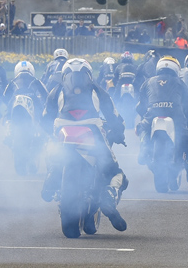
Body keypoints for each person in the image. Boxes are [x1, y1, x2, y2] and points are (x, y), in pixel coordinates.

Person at [39, 58, 128, 231]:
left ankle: (52, 175)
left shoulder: (56, 90)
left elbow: (44, 119)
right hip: (93, 128)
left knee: (52, 152)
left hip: (62, 129)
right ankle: (109, 196)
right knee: (115, 172)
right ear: (89, 74)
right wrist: (118, 132)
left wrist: (51, 132)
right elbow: (114, 116)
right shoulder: (98, 90)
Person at [136, 56, 188, 189]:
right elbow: (187, 107)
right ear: (176, 68)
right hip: (176, 117)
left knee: (142, 129)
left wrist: (145, 116)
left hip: (152, 116)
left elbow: (140, 106)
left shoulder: (148, 82)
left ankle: (143, 149)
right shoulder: (180, 83)